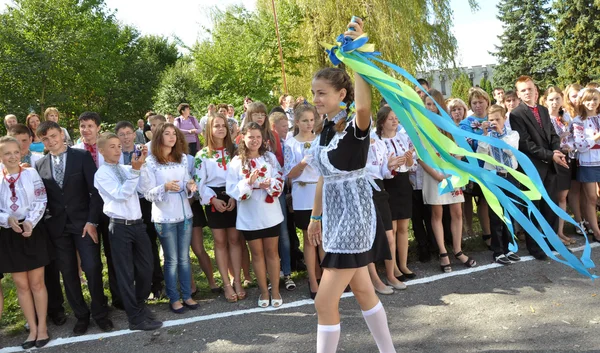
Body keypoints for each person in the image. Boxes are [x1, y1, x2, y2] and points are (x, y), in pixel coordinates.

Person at [306, 17, 396, 353]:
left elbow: (363, 105)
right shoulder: (327, 127)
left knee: (323, 302)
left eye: (322, 93)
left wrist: (358, 59)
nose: (315, 99)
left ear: (340, 93)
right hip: (335, 217)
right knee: (363, 292)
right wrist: (316, 218)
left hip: (354, 219)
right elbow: (324, 177)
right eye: (314, 92)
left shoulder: (356, 128)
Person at [35, 121, 113, 335]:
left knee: (92, 267)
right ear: (42, 142)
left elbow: (95, 192)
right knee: (68, 273)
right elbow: (42, 199)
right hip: (58, 228)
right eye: (45, 139)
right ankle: (81, 315)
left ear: (61, 134)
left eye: (53, 136)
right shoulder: (40, 165)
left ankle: (100, 313)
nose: (51, 141)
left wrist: (92, 221)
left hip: (84, 224)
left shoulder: (82, 157)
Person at [94, 133, 162, 331]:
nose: (117, 150)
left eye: (118, 146)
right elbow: (121, 194)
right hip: (119, 225)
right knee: (125, 272)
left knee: (146, 268)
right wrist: (135, 171)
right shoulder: (101, 174)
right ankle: (134, 317)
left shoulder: (126, 168)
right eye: (112, 146)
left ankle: (139, 306)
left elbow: (146, 187)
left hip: (138, 224)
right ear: (102, 151)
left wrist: (144, 163)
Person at [141, 123, 199, 313]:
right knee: (171, 260)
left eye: (174, 133)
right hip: (164, 217)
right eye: (167, 133)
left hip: (184, 215)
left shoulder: (182, 159)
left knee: (184, 258)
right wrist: (164, 187)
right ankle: (174, 298)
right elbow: (147, 193)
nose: (172, 137)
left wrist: (190, 186)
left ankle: (187, 296)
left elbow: (187, 180)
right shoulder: (150, 162)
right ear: (159, 137)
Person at [0, 136, 51, 349]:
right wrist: (6, 219)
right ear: (0, 156)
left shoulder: (30, 173)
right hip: (9, 234)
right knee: (21, 285)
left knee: (37, 283)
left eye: (15, 151)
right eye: (6, 153)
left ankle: (43, 329)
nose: (12, 156)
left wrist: (30, 222)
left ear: (21, 152)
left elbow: (41, 199)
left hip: (32, 230)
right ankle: (31, 328)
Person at [510, 75, 569, 259]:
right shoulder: (516, 114)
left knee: (549, 207)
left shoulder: (543, 110)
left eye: (530, 88)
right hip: (531, 168)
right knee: (534, 208)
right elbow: (526, 144)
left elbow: (552, 135)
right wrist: (550, 155)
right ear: (519, 94)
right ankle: (535, 247)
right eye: (523, 90)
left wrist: (556, 151)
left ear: (536, 90)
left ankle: (551, 242)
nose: (528, 92)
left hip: (550, 167)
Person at [226, 122, 285, 308]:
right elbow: (232, 189)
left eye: (258, 137)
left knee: (272, 253)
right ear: (243, 137)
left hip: (270, 213)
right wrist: (249, 184)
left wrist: (271, 184)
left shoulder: (269, 158)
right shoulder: (236, 162)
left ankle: (275, 290)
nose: (255, 140)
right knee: (257, 254)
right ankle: (264, 292)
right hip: (250, 215)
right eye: (251, 137)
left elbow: (279, 178)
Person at [422, 89, 476, 273]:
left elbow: (458, 150)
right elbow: (420, 157)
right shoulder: (421, 126)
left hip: (452, 174)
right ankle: (443, 252)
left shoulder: (448, 125)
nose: (430, 107)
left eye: (433, 104)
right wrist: (437, 175)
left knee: (457, 212)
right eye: (427, 104)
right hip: (433, 176)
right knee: (437, 214)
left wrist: (455, 169)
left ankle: (458, 250)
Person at [73, 112, 122, 309]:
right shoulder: (74, 151)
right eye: (82, 126)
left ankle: (118, 297)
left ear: (98, 128)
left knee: (114, 254)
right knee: (92, 261)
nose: (86, 130)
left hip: (110, 209)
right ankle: (98, 301)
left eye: (90, 126)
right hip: (86, 213)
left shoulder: (107, 149)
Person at [195, 114, 244, 302]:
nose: (221, 129)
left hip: (233, 195)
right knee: (220, 241)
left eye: (224, 125)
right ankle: (226, 284)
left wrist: (234, 195)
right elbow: (200, 183)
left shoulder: (235, 151)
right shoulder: (202, 155)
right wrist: (213, 199)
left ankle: (237, 281)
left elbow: (241, 175)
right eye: (217, 126)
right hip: (214, 199)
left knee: (235, 239)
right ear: (209, 129)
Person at [476, 105, 522, 264]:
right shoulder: (488, 136)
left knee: (509, 214)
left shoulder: (512, 134)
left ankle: (509, 248)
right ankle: (498, 251)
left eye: (497, 119)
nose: (494, 122)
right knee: (496, 215)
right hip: (493, 177)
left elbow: (511, 151)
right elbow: (481, 155)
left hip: (510, 177)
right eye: (491, 120)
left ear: (504, 119)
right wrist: (484, 135)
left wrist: (501, 133)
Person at [283, 104, 320, 298]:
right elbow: (289, 172)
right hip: (303, 190)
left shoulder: (320, 140)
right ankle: (312, 279)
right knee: (309, 237)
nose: (309, 124)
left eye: (312, 120)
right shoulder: (291, 144)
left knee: (323, 236)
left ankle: (326, 276)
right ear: (297, 122)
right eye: (305, 120)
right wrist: (303, 163)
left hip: (320, 190)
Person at [377, 106, 415, 280]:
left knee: (403, 227)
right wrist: (389, 164)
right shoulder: (376, 140)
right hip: (387, 184)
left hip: (403, 182)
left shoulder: (403, 137)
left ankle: (403, 264)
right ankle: (391, 268)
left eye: (396, 118)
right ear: (382, 121)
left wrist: (407, 161)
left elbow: (410, 165)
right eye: (390, 118)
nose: (394, 120)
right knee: (390, 229)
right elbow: (376, 167)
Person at [542, 86, 576, 245]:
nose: (554, 103)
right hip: (551, 161)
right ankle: (552, 232)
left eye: (557, 99)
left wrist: (569, 145)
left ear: (562, 99)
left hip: (566, 159)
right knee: (553, 196)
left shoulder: (566, 117)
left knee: (563, 197)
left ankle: (560, 231)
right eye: (551, 99)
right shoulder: (543, 118)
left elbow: (573, 136)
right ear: (545, 101)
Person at [459, 87, 492, 249]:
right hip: (477, 168)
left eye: (481, 101)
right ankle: (487, 235)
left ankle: (499, 231)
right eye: (474, 103)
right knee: (483, 202)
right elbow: (469, 145)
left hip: (496, 168)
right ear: (470, 106)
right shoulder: (465, 124)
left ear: (487, 101)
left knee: (494, 201)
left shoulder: (495, 118)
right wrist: (485, 135)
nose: (478, 105)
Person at [269, 111, 296, 291]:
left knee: (284, 234)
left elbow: (284, 170)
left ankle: (287, 272)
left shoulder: (285, 144)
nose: (287, 129)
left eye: (287, 126)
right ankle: (273, 274)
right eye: (283, 126)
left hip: (279, 192)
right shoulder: (265, 145)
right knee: (270, 238)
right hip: (262, 197)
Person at [572, 87, 600, 243]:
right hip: (588, 162)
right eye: (588, 100)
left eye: (595, 99)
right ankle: (596, 232)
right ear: (582, 101)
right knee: (591, 197)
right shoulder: (578, 121)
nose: (592, 103)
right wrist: (596, 137)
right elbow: (580, 146)